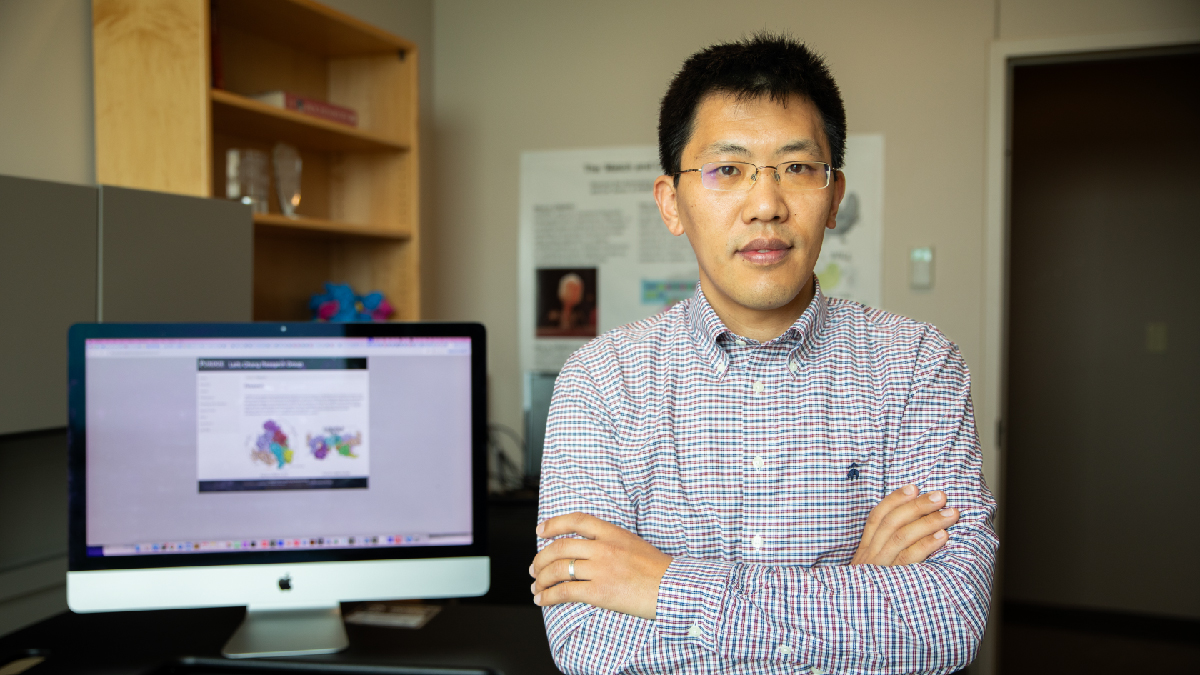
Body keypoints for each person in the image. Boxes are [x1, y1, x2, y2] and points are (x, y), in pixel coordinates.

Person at [530, 33, 996, 675]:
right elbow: (590, 648)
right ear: (671, 203)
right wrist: (859, 590)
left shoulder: (918, 365)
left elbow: (946, 624)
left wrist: (663, 585)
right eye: (728, 170)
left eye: (798, 168)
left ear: (834, 196)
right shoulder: (601, 382)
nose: (767, 205)